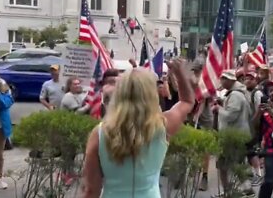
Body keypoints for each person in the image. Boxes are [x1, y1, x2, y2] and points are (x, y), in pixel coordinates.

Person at [81, 59, 195, 198]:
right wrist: (179, 72)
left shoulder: (99, 134)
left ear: (119, 93)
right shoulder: (163, 126)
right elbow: (187, 101)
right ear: (151, 95)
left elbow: (91, 190)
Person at [212, 70, 255, 198]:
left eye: (224, 79)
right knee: (233, 164)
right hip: (233, 136)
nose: (222, 81)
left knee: (226, 164)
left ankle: (236, 190)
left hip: (233, 137)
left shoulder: (236, 95)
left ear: (231, 81)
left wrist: (219, 109)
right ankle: (242, 189)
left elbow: (230, 116)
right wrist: (222, 103)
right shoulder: (234, 94)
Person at [190, 62, 214, 191]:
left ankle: (204, 176)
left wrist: (197, 115)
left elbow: (203, 102)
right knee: (192, 145)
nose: (195, 74)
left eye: (197, 72)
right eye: (194, 72)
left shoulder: (205, 83)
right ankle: (191, 169)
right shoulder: (193, 82)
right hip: (192, 117)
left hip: (204, 119)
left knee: (205, 149)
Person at [243, 71, 263, 187]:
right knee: (248, 150)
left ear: (256, 81)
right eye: (246, 78)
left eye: (251, 79)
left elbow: (259, 111)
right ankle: (252, 173)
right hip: (248, 125)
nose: (247, 80)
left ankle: (258, 175)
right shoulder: (247, 92)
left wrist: (253, 124)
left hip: (253, 127)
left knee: (252, 151)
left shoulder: (257, 93)